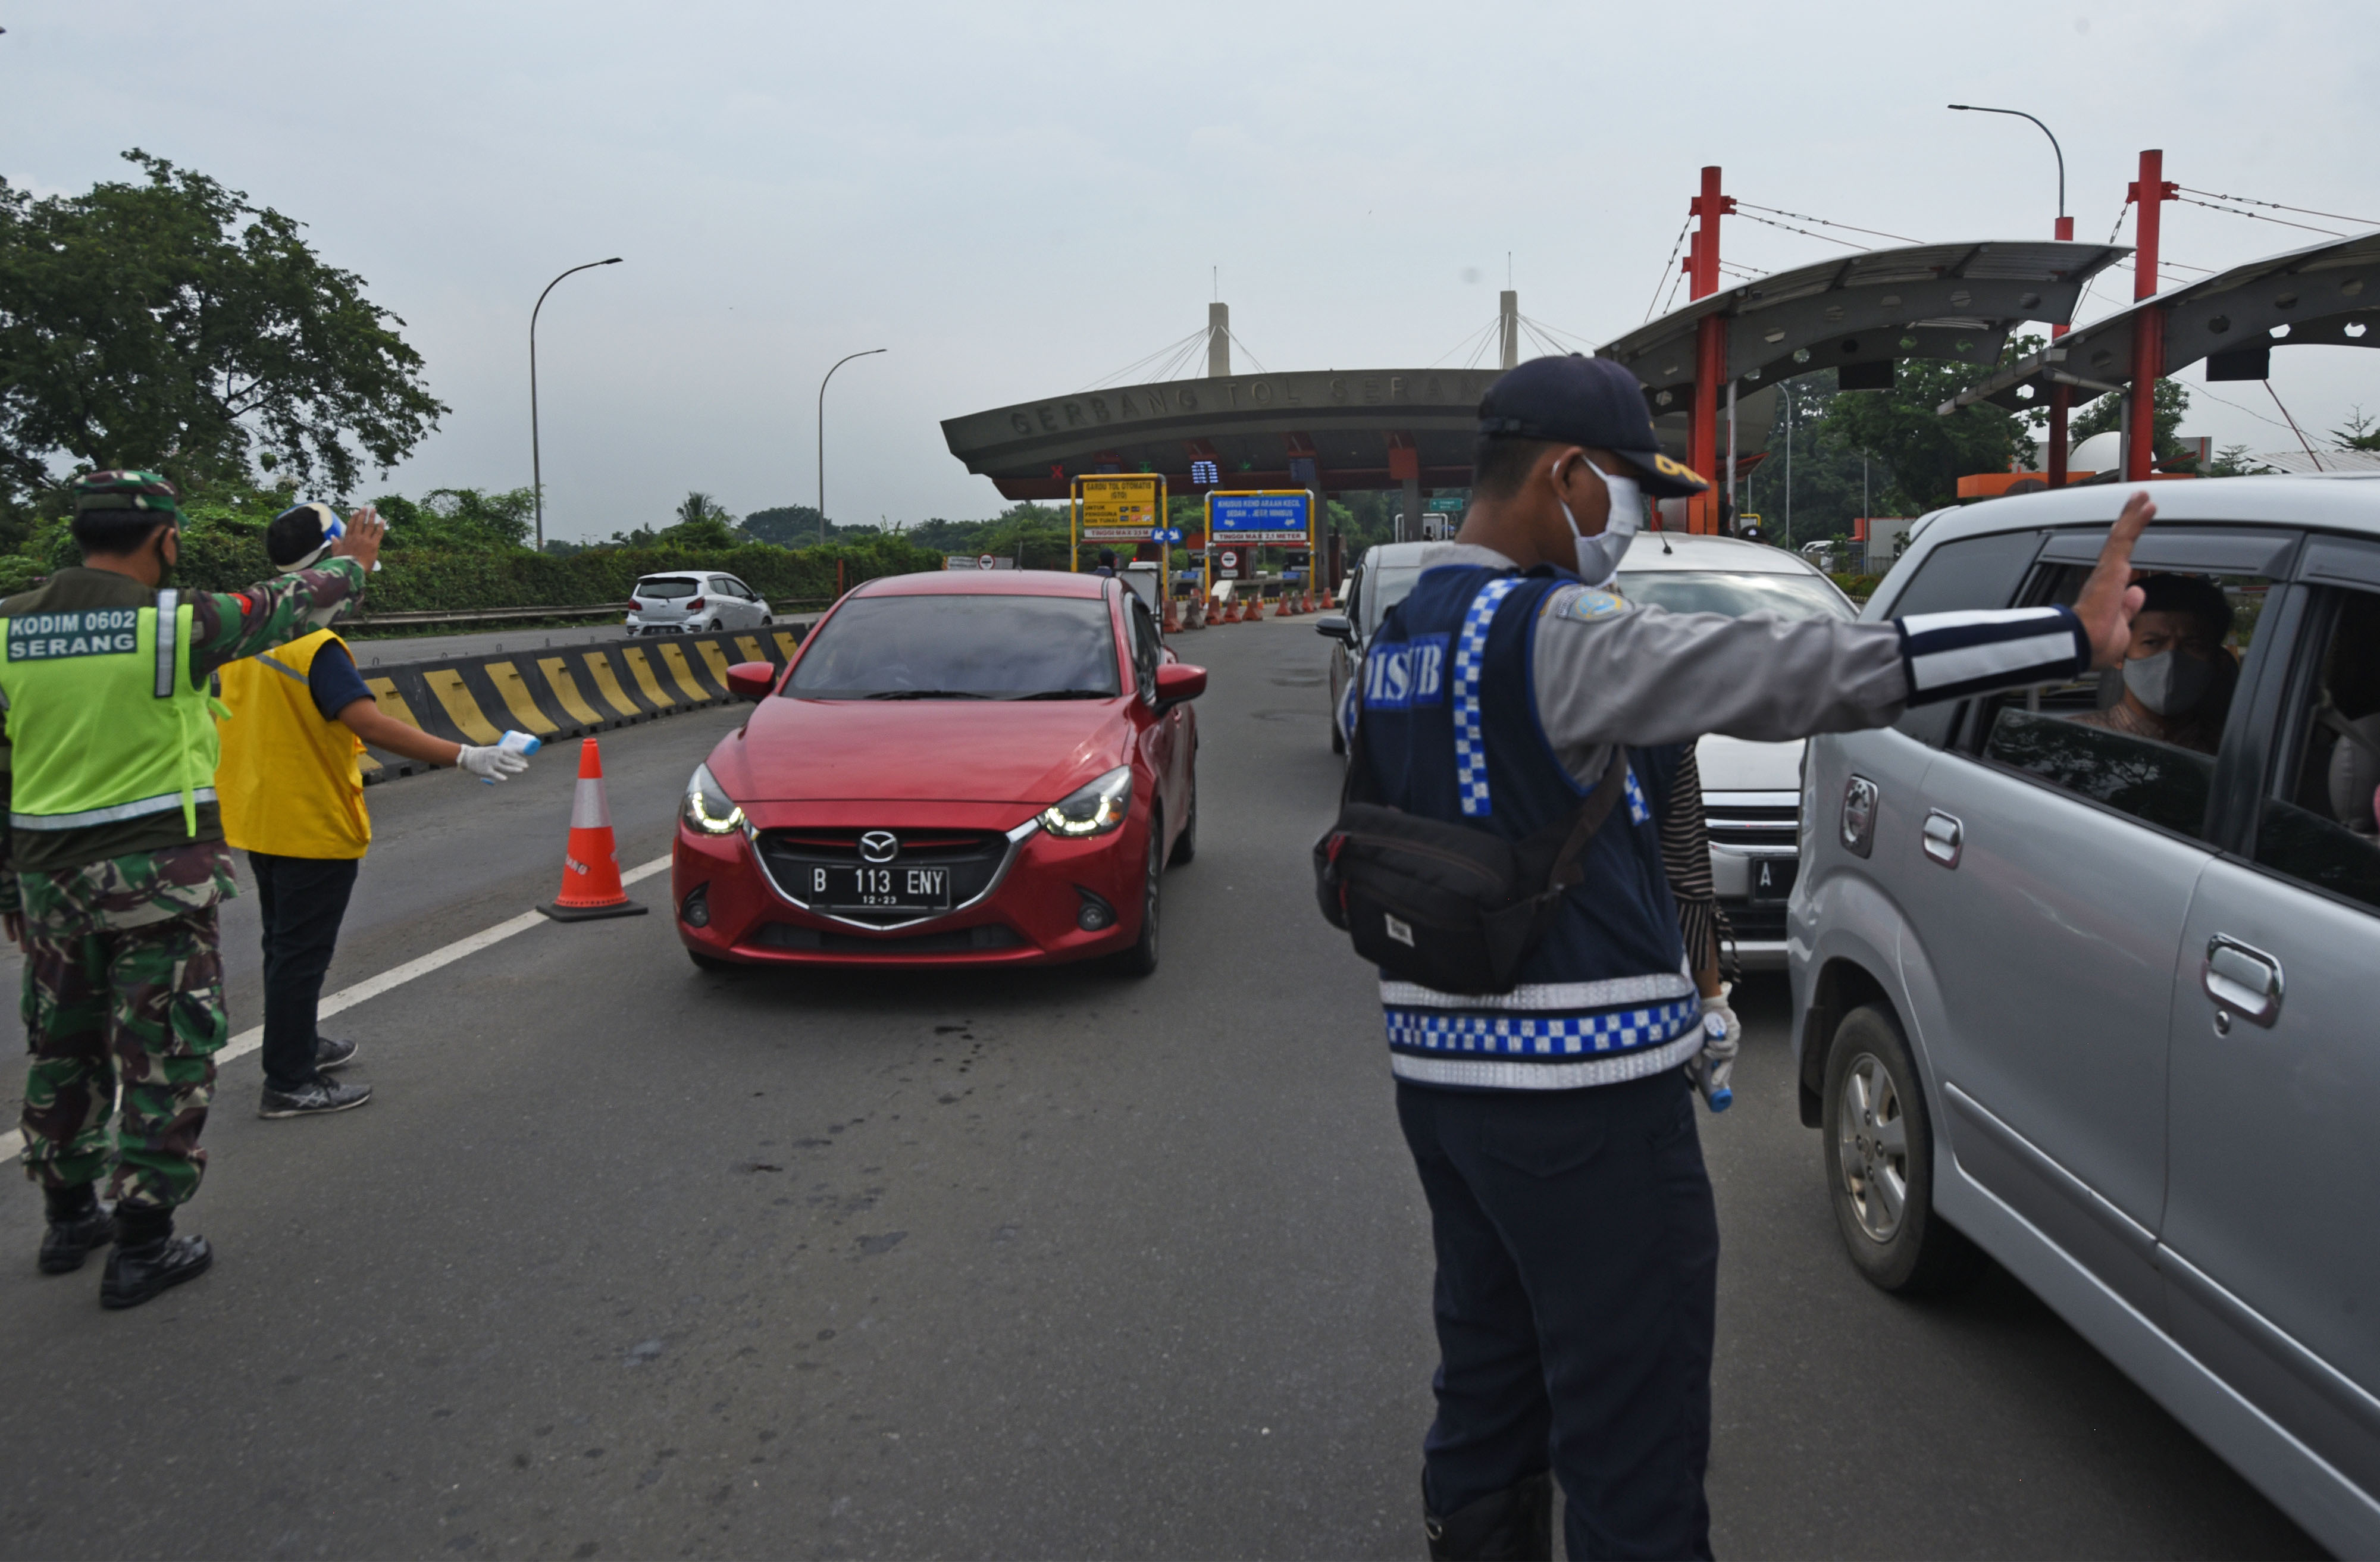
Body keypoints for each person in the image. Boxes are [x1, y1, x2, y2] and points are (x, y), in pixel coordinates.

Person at [1348, 355, 2155, 1560]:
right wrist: (2063, 634)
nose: (1637, 527)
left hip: (1441, 1087)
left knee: (1487, 1368)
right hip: (1586, 1111)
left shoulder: (1399, 640)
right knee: (1633, 1424)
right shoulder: (1555, 631)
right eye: (1632, 495)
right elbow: (1791, 668)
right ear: (1567, 474)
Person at [4, 471, 380, 1309]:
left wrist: (9, 892)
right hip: (155, 883)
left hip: (48, 882)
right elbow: (281, 604)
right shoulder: (174, 625)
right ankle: (144, 1242)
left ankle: (68, 1218)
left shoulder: (7, 628)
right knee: (165, 1052)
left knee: (62, 1045)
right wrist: (352, 562)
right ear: (165, 540)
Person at [214, 502, 536, 1120]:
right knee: (301, 954)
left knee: (282, 945)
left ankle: (298, 1044)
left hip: (258, 816)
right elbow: (370, 723)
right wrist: (466, 756)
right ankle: (288, 1081)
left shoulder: (248, 632)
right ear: (332, 565)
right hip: (310, 821)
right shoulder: (316, 645)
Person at [2072, 571, 2234, 754]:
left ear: (2218, 660)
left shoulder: (2234, 752)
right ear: (2118, 654)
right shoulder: (2074, 741)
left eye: (2192, 645)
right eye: (2152, 643)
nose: (2171, 659)